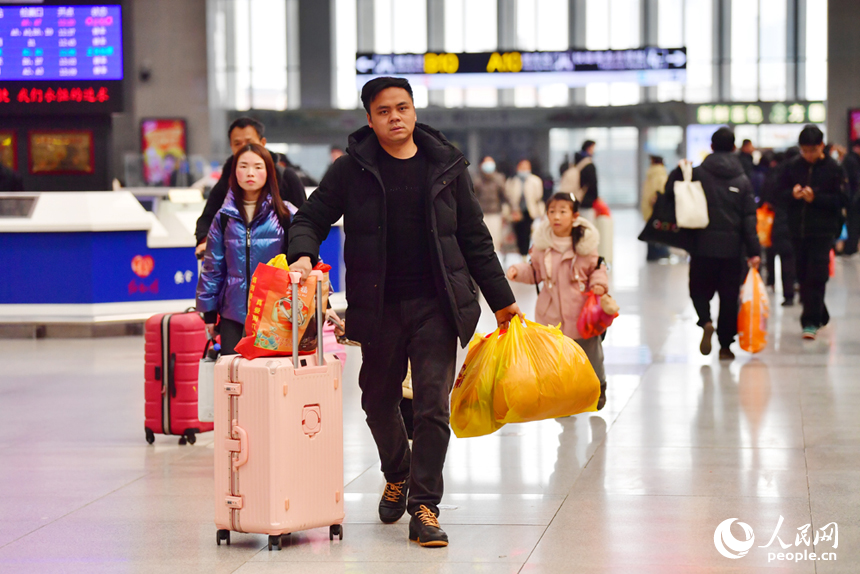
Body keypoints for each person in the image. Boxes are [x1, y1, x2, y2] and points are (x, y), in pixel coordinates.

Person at [287, 77, 522, 548]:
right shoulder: (352, 169)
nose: (395, 117)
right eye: (384, 111)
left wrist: (502, 300)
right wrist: (302, 254)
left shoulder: (446, 165)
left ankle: (424, 506)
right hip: (378, 306)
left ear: (414, 111)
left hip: (438, 304)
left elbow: (474, 238)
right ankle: (397, 471)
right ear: (369, 119)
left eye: (403, 107)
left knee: (433, 406)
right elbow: (310, 217)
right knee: (377, 400)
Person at [507, 192, 610, 409]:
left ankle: (599, 386)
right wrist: (519, 270)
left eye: (563, 211)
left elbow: (596, 268)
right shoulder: (542, 245)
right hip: (551, 312)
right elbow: (535, 272)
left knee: (591, 353)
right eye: (552, 211)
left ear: (574, 216)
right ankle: (563, 396)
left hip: (582, 313)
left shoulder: (584, 243)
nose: (556, 216)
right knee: (557, 358)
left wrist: (599, 285)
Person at [667, 127, 761, 360]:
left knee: (699, 289)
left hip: (701, 246)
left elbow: (671, 193)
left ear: (711, 147)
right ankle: (726, 346)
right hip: (733, 251)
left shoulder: (697, 173)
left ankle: (706, 320)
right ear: (733, 148)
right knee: (729, 297)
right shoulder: (742, 179)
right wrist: (754, 251)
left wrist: (679, 171)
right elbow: (749, 219)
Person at [196, 143, 292, 355]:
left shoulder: (285, 214)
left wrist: (324, 303)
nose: (250, 173)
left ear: (269, 172)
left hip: (276, 315)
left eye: (258, 167)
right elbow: (213, 268)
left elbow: (308, 261)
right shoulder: (223, 218)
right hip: (234, 315)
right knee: (235, 380)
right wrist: (209, 315)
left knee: (271, 380)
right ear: (234, 172)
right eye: (244, 166)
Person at [194, 117, 306, 259]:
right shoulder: (226, 181)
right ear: (231, 146)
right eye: (237, 143)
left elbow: (304, 223)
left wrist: (300, 256)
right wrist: (206, 242)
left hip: (280, 268)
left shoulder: (286, 178)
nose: (244, 148)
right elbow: (207, 218)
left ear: (262, 143)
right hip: (237, 266)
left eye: (250, 142)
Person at [776, 125, 847, 340]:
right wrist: (793, 194)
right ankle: (820, 313)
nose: (808, 155)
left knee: (817, 275)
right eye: (804, 151)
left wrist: (815, 198)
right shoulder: (792, 167)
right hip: (797, 230)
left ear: (821, 146)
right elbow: (778, 194)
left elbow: (843, 200)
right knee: (803, 276)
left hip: (823, 231)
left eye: (812, 151)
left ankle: (810, 322)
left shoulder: (834, 168)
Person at [504, 159, 545, 258]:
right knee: (519, 234)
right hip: (516, 212)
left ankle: (527, 255)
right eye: (522, 167)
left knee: (529, 234)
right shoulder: (512, 181)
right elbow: (508, 198)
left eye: (527, 167)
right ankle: (521, 255)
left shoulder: (535, 181)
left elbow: (539, 198)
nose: (524, 169)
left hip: (530, 212)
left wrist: (542, 214)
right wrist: (508, 213)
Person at [473, 156, 508, 251]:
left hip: (495, 213)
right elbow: (473, 197)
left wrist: (509, 210)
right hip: (481, 214)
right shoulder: (477, 180)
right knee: (481, 239)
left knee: (495, 239)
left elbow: (505, 196)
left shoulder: (499, 179)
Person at [640, 155, 670, 261]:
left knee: (651, 231)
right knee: (660, 231)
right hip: (657, 209)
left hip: (648, 208)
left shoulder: (650, 175)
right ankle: (662, 254)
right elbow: (664, 192)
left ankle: (652, 255)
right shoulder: (661, 175)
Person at [840, 139, 860, 255]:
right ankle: (850, 248)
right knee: (853, 223)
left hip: (852, 198)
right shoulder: (852, 160)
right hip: (853, 199)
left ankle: (850, 247)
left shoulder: (850, 159)